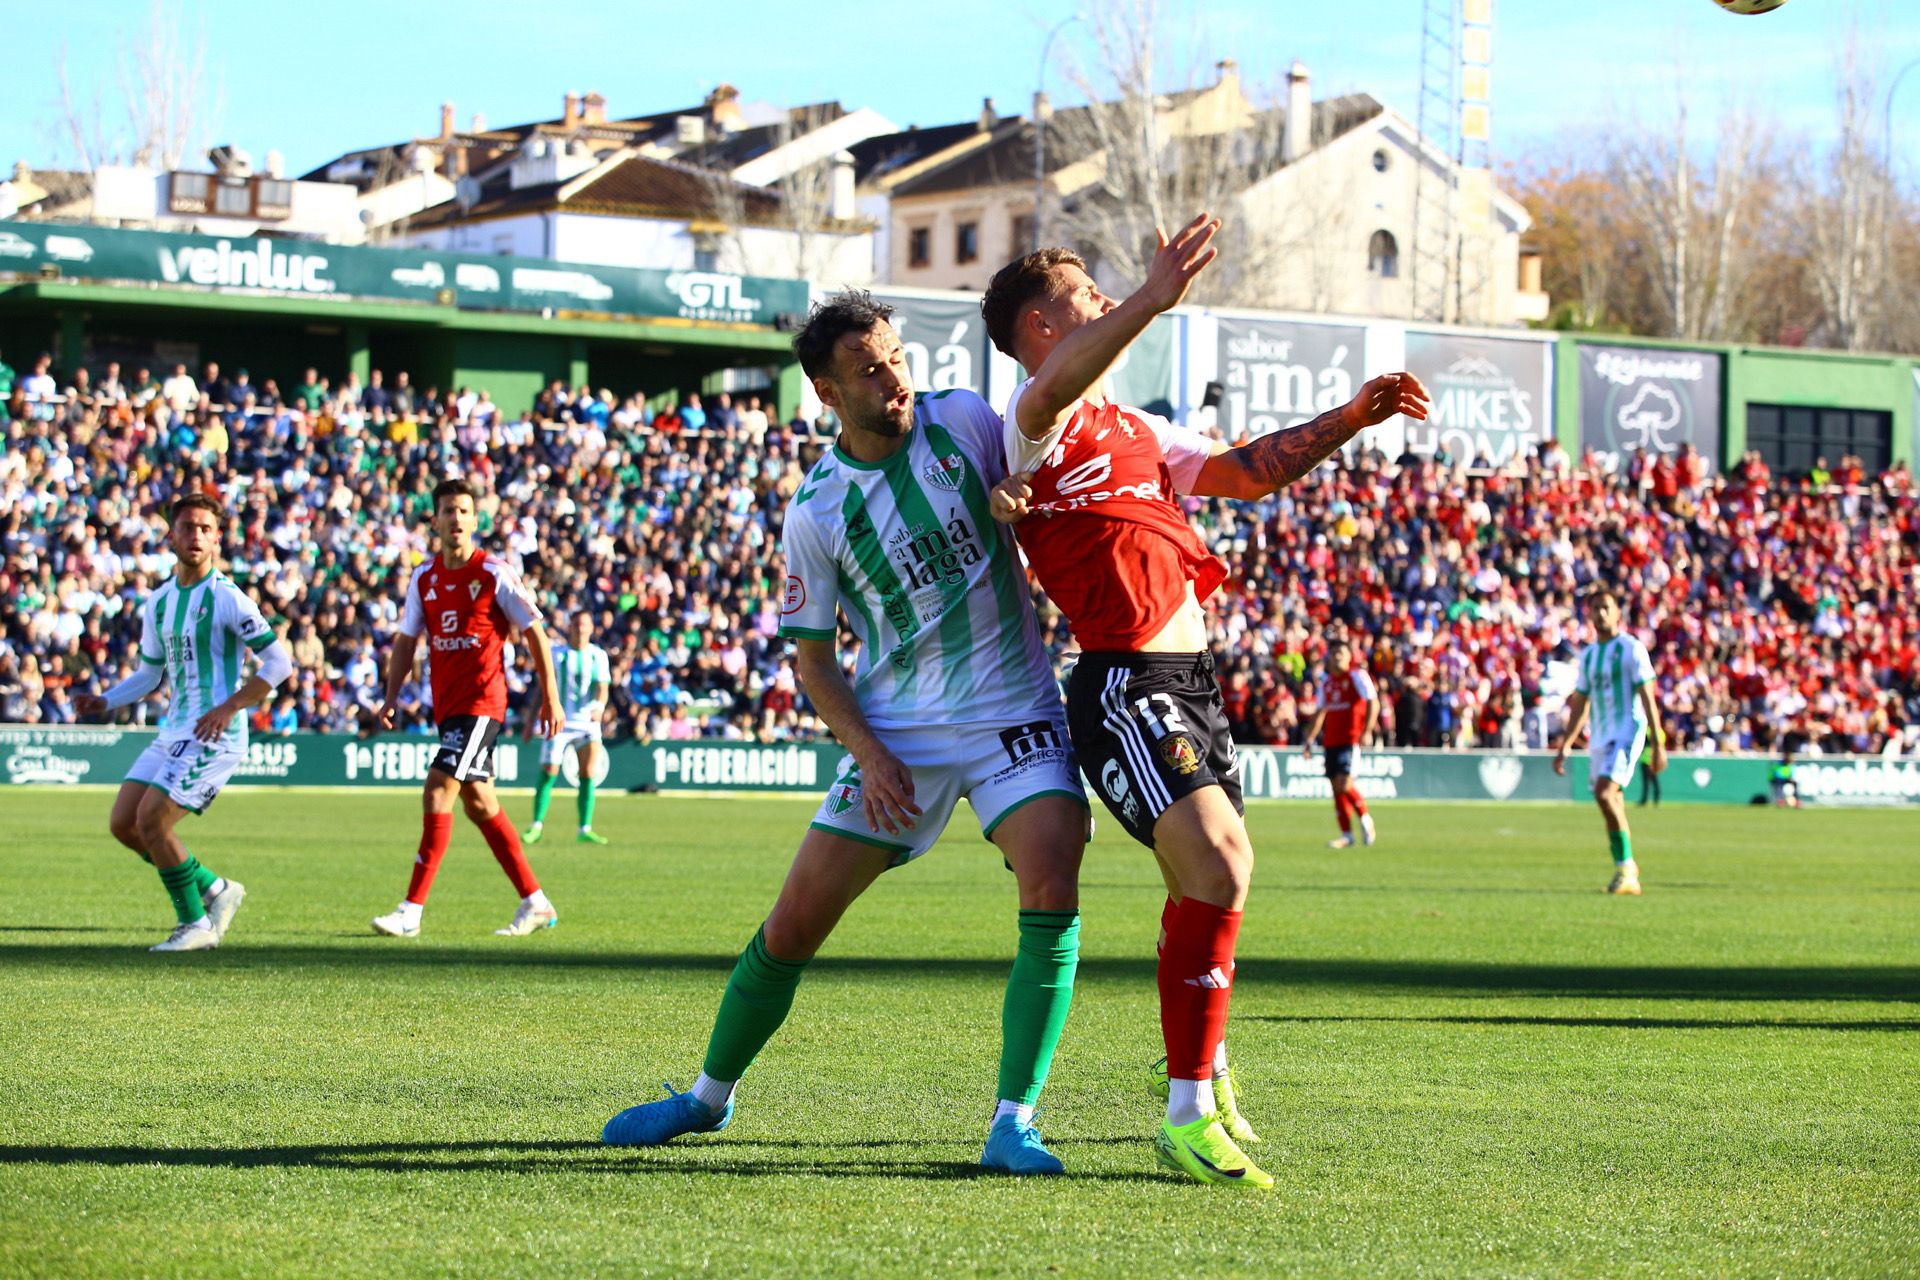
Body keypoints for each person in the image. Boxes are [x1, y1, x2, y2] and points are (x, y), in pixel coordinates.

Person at [979, 218, 1429, 1189]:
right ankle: (1185, 1111)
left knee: (1210, 879)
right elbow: (1057, 384)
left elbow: (1243, 473)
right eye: (1082, 291)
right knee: (1223, 860)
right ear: (1035, 323)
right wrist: (1149, 301)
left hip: (1192, 687)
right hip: (1125, 686)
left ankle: (1195, 1061)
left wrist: (1350, 417)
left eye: (1107, 289)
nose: (1101, 296)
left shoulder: (1139, 429)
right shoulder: (1035, 415)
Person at [601, 292, 1090, 1177]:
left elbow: (1036, 456)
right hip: (899, 730)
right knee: (792, 927)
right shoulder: (819, 510)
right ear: (828, 392)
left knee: (1053, 878)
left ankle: (1013, 1120)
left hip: (1014, 706)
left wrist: (1019, 490)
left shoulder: (967, 421)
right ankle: (707, 1099)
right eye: (870, 370)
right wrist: (869, 754)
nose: (894, 379)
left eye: (897, 358)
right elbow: (814, 662)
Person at [73, 493, 295, 951]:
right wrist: (105, 701)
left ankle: (194, 924)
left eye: (204, 529)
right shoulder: (159, 602)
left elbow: (279, 663)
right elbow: (151, 674)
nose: (195, 535)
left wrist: (230, 706)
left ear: (216, 539)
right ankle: (215, 889)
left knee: (152, 819)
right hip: (174, 730)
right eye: (187, 527)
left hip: (216, 734)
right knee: (124, 825)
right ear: (171, 535)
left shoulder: (228, 598)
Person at [371, 479, 565, 938]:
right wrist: (392, 695)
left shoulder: (494, 572)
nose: (455, 518)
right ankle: (535, 901)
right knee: (480, 804)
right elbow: (406, 640)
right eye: (447, 511)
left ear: (474, 519)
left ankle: (411, 910)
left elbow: (535, 631)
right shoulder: (424, 577)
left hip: (484, 702)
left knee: (438, 787)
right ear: (434, 520)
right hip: (449, 707)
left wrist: (550, 697)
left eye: (463, 510)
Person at [1551, 587, 1667, 895]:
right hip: (1600, 737)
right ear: (1588, 615)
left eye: (1606, 607)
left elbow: (1647, 695)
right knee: (1610, 801)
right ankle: (1626, 870)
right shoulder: (1589, 656)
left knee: (1605, 793)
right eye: (1595, 608)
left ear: (1617, 612)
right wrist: (1565, 744)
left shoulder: (1631, 649)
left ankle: (1626, 867)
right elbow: (1581, 703)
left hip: (1628, 730)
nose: (1600, 613)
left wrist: (1658, 742)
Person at [525, 610, 612, 846]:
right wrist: (531, 719)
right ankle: (536, 825)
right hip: (559, 721)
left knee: (587, 772)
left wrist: (599, 707)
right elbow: (541, 688)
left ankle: (585, 828)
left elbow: (603, 688)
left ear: (591, 628)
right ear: (570, 627)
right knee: (549, 771)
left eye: (584, 624)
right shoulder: (556, 654)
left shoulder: (598, 656)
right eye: (576, 624)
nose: (580, 628)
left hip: (587, 723)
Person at [1299, 638, 1379, 848]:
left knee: (1345, 784)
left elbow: (1373, 701)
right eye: (1334, 654)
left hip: (1350, 739)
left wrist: (1367, 731)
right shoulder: (1327, 682)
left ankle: (1365, 818)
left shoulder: (1357, 676)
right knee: (1336, 788)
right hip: (1330, 741)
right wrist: (1309, 740)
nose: (1337, 658)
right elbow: (1320, 712)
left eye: (1341, 654)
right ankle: (1347, 835)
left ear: (1349, 657)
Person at [1636, 733, 1662, 807]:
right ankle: (1652, 799)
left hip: (1649, 759)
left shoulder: (1648, 731)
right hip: (1648, 759)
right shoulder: (1658, 731)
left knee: (1651, 781)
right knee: (1651, 781)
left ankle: (1649, 799)